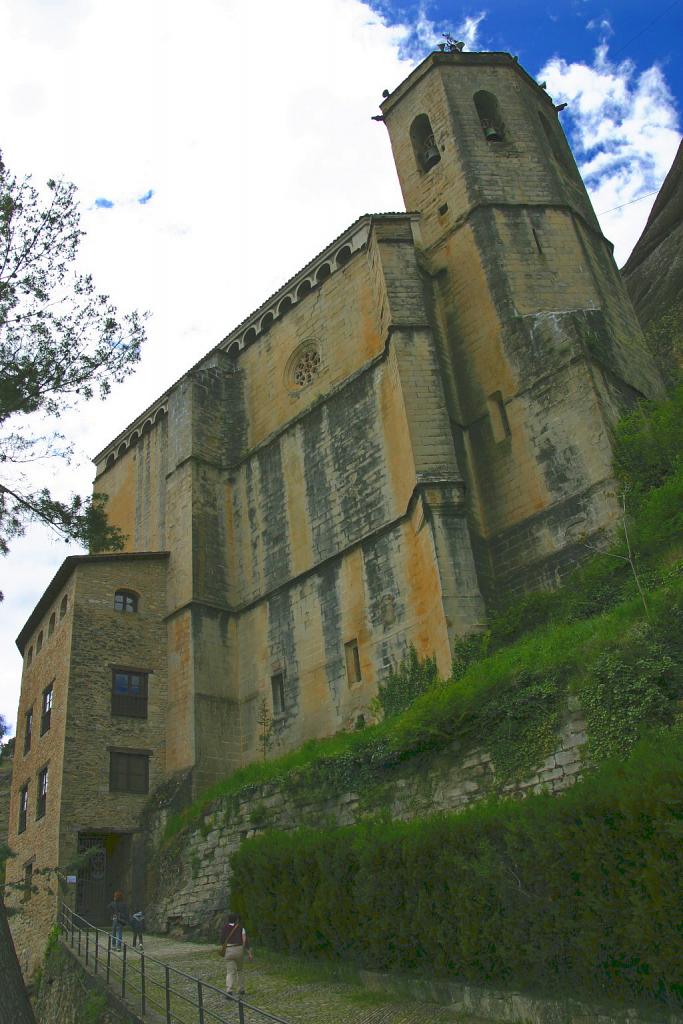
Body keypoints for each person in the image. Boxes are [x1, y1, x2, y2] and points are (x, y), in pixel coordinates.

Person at [220, 911, 253, 997]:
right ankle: (241, 989)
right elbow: (245, 941)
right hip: (239, 949)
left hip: (229, 950)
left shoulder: (224, 928)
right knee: (240, 970)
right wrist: (249, 953)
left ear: (228, 919)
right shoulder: (241, 928)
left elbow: (222, 940)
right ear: (236, 920)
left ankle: (229, 990)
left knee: (230, 972)